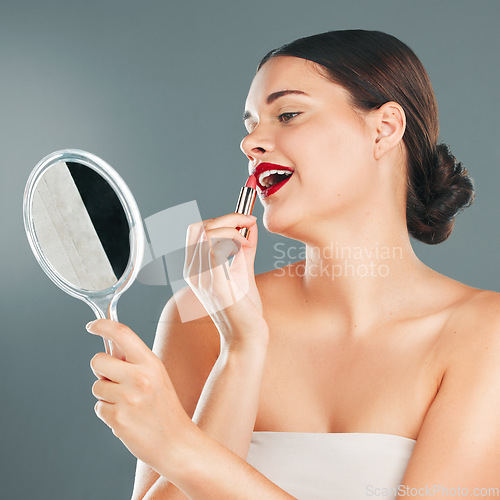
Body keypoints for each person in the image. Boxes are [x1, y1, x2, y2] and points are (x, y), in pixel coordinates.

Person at [86, 30, 500, 499]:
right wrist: (241, 349)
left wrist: (182, 449)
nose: (251, 143)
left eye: (288, 114)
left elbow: (190, 462)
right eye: (251, 124)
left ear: (384, 129)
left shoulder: (484, 336)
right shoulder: (198, 319)